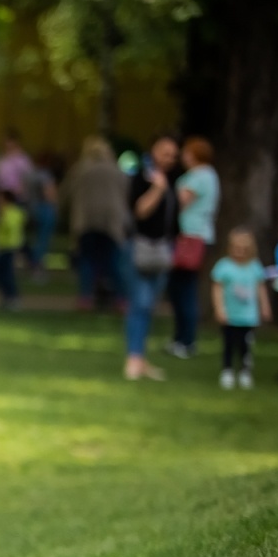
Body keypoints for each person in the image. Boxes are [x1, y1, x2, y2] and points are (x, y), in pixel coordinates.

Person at [123, 135, 181, 381]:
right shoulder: (141, 177)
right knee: (140, 303)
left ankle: (141, 357)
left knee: (149, 306)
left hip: (163, 249)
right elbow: (140, 211)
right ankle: (133, 359)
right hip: (140, 248)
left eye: (173, 154)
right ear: (153, 151)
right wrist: (157, 189)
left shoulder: (175, 180)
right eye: (164, 152)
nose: (169, 158)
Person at [166, 136, 220, 358]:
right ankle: (182, 337)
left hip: (191, 237)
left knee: (183, 289)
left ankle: (186, 340)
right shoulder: (211, 176)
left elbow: (179, 202)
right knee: (182, 287)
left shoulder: (199, 177)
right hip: (199, 235)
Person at [62, 136, 128, 310]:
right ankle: (120, 299)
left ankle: (85, 298)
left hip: (85, 220)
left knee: (87, 260)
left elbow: (66, 193)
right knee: (113, 261)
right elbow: (127, 193)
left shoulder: (80, 169)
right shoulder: (116, 171)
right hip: (111, 221)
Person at [211, 227, 270, 390]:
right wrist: (219, 309)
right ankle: (227, 371)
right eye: (236, 249)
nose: (240, 253)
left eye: (244, 250)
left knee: (246, 345)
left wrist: (265, 306)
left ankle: (245, 371)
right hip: (230, 315)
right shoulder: (224, 267)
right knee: (229, 344)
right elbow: (217, 289)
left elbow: (260, 288)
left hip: (248, 316)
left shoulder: (254, 267)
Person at [0, 187, 24, 309]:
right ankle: (7, 294)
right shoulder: (2, 211)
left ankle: (11, 297)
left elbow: (11, 227)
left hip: (9, 247)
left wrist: (2, 217)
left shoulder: (12, 212)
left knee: (5, 273)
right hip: (2, 247)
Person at [26, 153, 59, 281]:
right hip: (45, 209)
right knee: (43, 240)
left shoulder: (30, 174)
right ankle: (37, 266)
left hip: (33, 209)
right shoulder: (45, 175)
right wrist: (55, 205)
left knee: (37, 239)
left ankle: (34, 264)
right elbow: (49, 193)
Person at [0, 129, 33, 204]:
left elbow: (28, 177)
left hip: (16, 196)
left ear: (16, 142)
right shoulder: (1, 158)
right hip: (2, 196)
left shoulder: (22, 159)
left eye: (9, 141)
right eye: (5, 140)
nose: (6, 143)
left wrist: (21, 189)